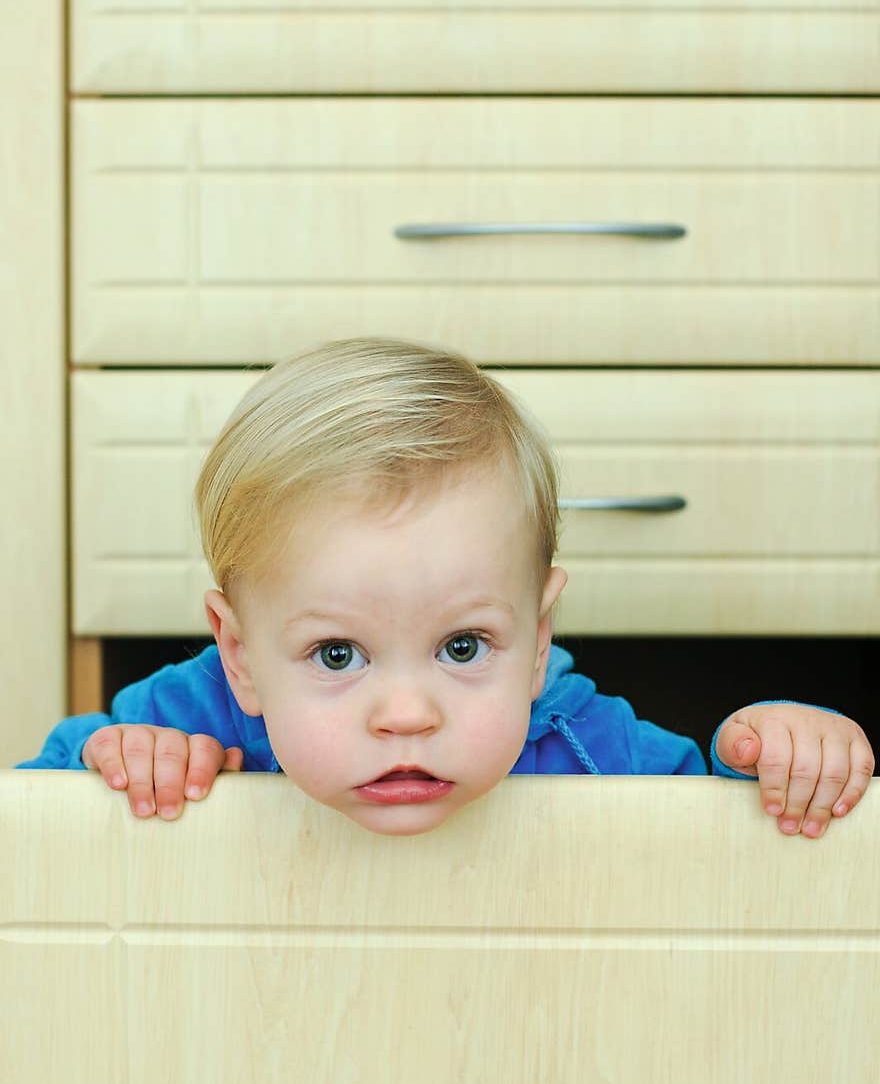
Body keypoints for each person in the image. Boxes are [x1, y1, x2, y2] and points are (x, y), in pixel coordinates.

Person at [16, 338, 874, 839]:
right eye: (338, 652)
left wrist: (769, 758)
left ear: (538, 641)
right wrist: (114, 763)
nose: (406, 712)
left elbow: (698, 845)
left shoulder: (577, 739)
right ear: (238, 652)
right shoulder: (193, 717)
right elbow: (36, 828)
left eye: (463, 647)